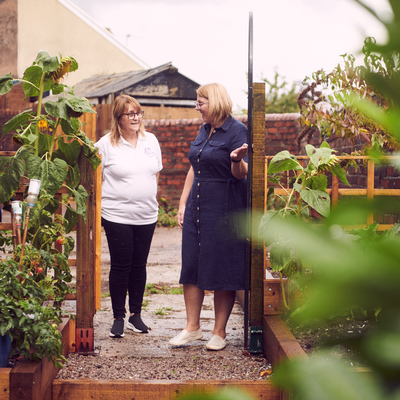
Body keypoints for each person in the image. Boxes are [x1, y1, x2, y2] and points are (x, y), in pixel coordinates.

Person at [169, 83, 248, 351]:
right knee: (191, 265)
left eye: (200, 102)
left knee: (220, 266)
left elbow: (240, 174)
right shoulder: (205, 129)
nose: (196, 107)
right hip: (197, 209)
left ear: (213, 102)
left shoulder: (237, 131)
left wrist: (236, 160)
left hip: (223, 210)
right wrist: (182, 203)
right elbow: (195, 167)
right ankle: (192, 328)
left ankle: (219, 332)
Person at [95, 94, 162, 338]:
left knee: (139, 265)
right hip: (117, 216)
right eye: (129, 114)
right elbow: (95, 181)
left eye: (138, 113)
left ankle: (135, 315)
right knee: (121, 265)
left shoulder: (151, 140)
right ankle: (118, 317)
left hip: (146, 215)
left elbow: (155, 173)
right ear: (118, 118)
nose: (135, 118)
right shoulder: (104, 145)